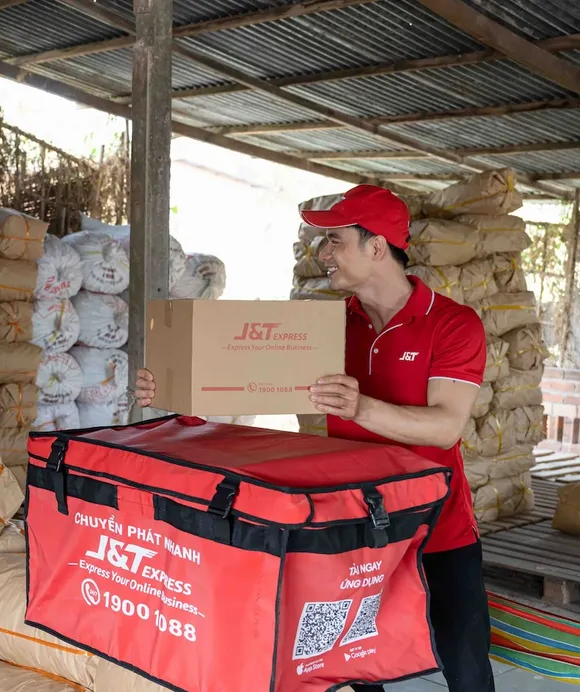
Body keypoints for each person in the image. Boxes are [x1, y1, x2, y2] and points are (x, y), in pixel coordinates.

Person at [133, 184, 494, 692]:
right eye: (320, 242)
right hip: (358, 529)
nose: (320, 254)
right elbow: (249, 394)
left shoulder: (452, 324)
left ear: (376, 246)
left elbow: (446, 426)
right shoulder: (324, 327)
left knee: (466, 667)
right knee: (357, 667)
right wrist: (176, 390)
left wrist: (360, 407)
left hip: (437, 526)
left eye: (334, 241)